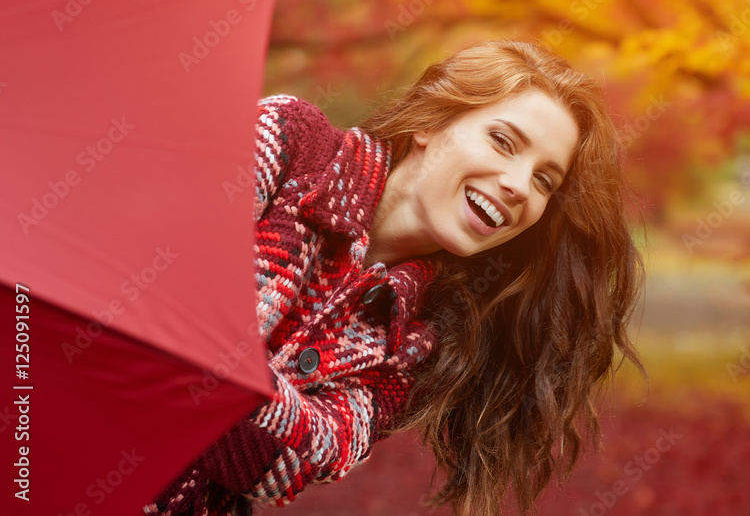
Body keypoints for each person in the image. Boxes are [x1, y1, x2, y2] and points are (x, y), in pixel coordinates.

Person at [143, 39, 648, 516]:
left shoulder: (426, 341)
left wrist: (196, 361)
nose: (518, 186)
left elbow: (294, 463)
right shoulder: (290, 142)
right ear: (429, 122)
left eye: (544, 179)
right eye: (502, 141)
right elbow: (148, 286)